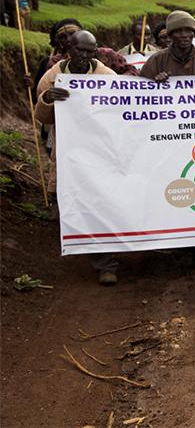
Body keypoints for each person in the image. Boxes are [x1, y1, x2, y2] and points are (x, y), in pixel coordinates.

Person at [141, 11, 195, 272]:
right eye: (178, 32)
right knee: (170, 188)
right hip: (166, 140)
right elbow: (137, 97)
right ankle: (171, 243)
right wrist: (153, 85)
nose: (184, 36)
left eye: (189, 31)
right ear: (168, 35)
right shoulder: (156, 61)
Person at [35, 30, 118, 284]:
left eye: (89, 51)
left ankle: (109, 260)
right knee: (80, 204)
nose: (84, 55)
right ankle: (100, 260)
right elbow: (42, 118)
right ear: (68, 50)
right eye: (79, 50)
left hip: (103, 152)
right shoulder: (53, 77)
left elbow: (123, 110)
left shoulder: (107, 76)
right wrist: (48, 100)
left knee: (105, 204)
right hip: (70, 154)